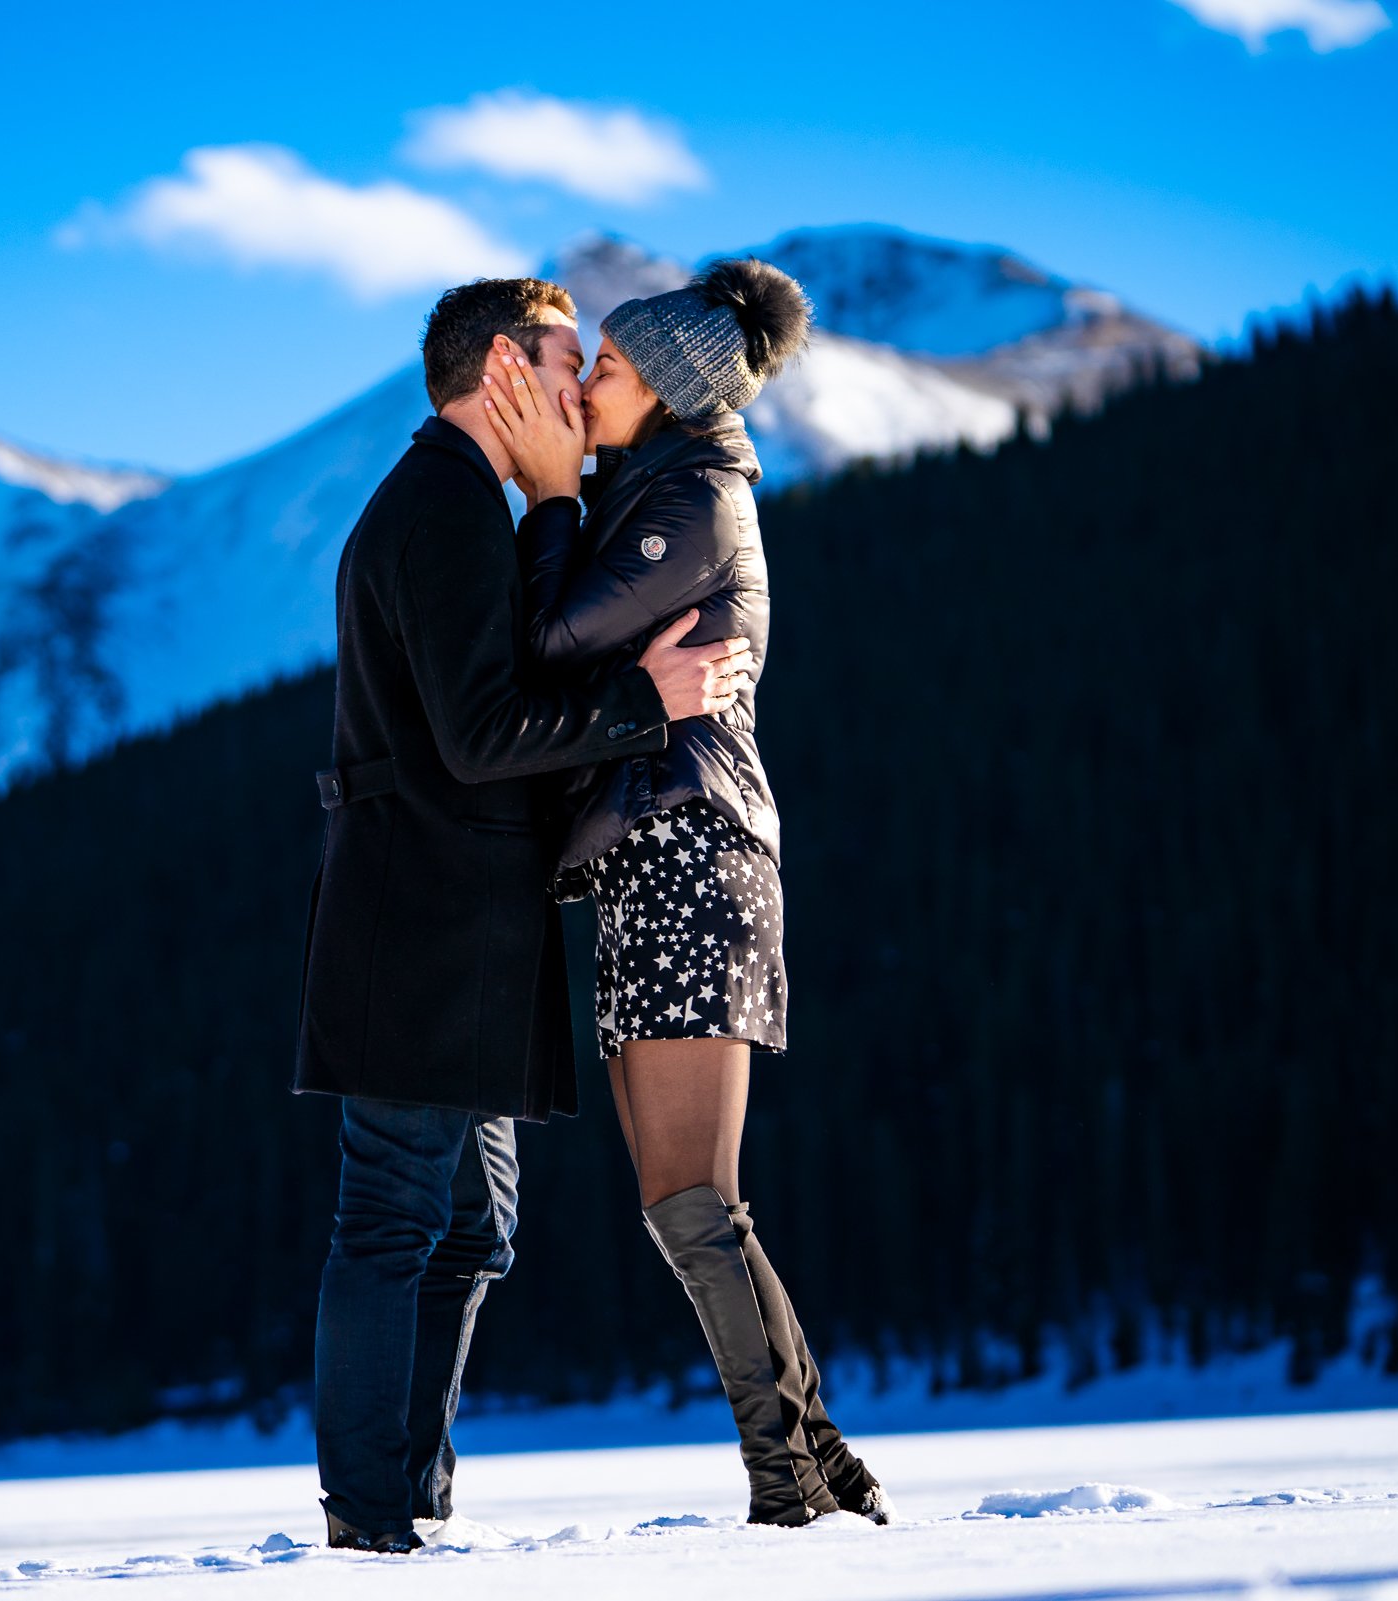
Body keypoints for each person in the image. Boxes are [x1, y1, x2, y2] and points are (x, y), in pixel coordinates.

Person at [294, 276, 757, 1552]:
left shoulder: (465, 504)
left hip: (467, 923)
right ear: (501, 367)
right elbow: (484, 730)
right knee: (394, 1214)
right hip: (421, 916)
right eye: (564, 359)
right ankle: (370, 1516)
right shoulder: (440, 505)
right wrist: (645, 709)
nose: (574, 388)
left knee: (475, 1229)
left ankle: (411, 1497)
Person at [480, 259, 894, 1527]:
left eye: (604, 366)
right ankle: (820, 1462)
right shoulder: (657, 488)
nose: (587, 383)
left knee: (688, 1199)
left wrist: (548, 495)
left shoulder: (694, 505)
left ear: (661, 386)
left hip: (690, 855)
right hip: (657, 858)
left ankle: (790, 1483)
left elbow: (552, 643)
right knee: (691, 1202)